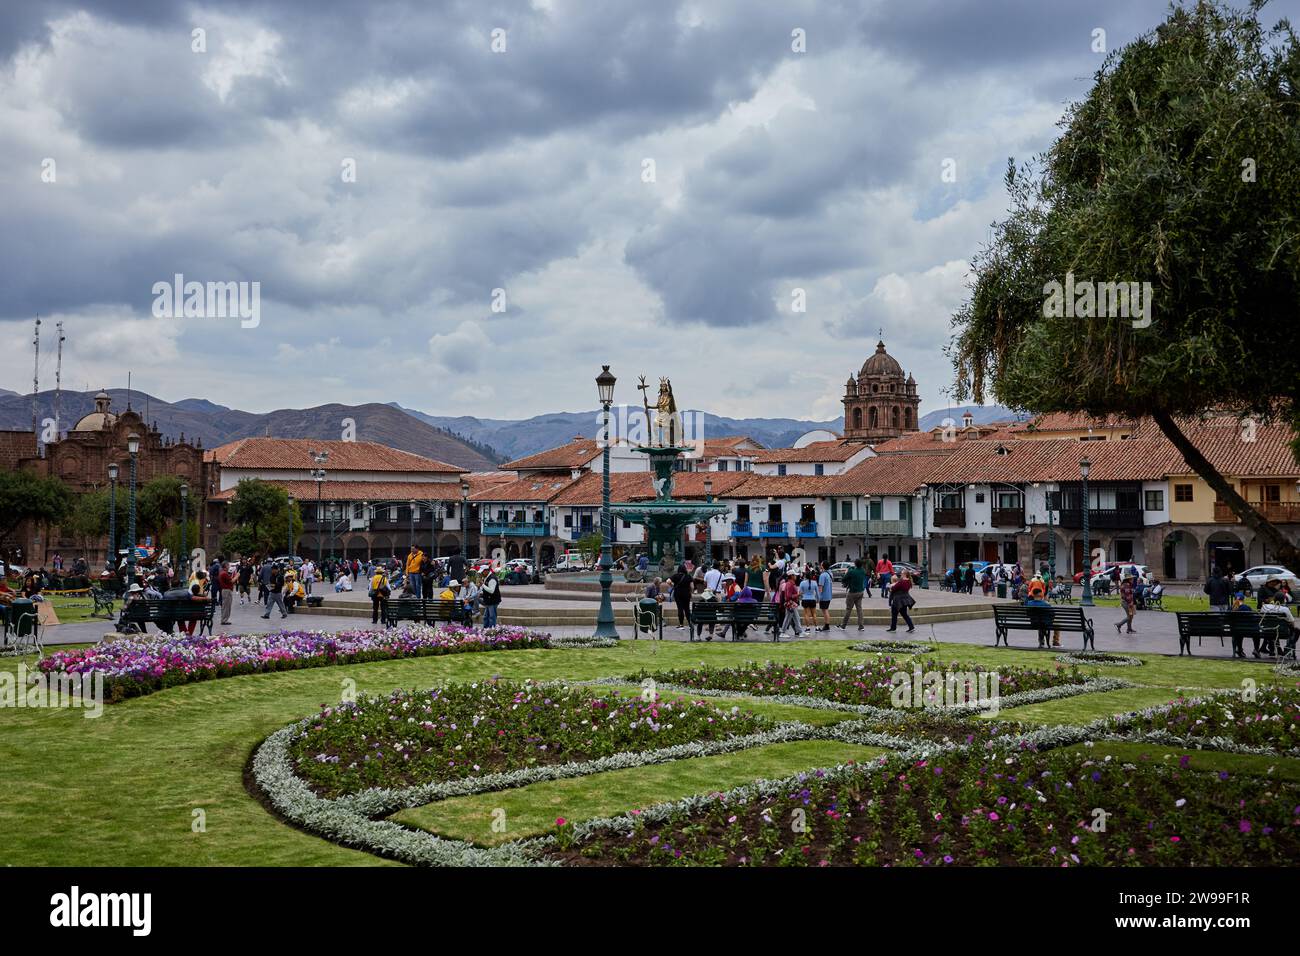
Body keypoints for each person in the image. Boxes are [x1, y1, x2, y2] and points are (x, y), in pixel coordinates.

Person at [838, 558, 867, 630]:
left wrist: (847, 571)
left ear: (855, 564)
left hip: (852, 592)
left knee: (848, 609)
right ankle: (861, 626)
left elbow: (843, 579)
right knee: (859, 609)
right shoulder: (863, 571)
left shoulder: (852, 572)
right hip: (860, 592)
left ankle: (843, 625)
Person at [778, 570, 804, 639]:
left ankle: (799, 632)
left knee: (793, 618)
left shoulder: (790, 583)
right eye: (795, 575)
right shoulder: (790, 584)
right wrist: (798, 595)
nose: (796, 576)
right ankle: (798, 632)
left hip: (791, 604)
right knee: (793, 618)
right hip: (791, 604)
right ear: (792, 576)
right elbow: (788, 596)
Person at [670, 564, 692, 631]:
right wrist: (690, 591)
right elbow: (692, 586)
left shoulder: (675, 576)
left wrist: (673, 586)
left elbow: (668, 581)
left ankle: (681, 625)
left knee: (680, 608)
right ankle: (690, 624)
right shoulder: (688, 576)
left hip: (678, 594)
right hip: (686, 594)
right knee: (687, 609)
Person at [815, 561, 833, 632]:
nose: (820, 565)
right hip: (828, 595)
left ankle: (827, 625)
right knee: (825, 610)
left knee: (825, 610)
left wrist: (818, 597)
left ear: (823, 566)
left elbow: (820, 588)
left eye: (821, 564)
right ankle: (827, 625)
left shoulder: (823, 575)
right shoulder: (830, 573)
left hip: (824, 596)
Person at [218, 561, 235, 626]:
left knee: (225, 605)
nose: (229, 566)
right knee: (227, 606)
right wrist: (237, 576)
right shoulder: (224, 573)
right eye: (228, 565)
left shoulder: (222, 572)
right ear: (225, 566)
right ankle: (224, 620)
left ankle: (224, 619)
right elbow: (231, 581)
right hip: (227, 591)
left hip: (225, 590)